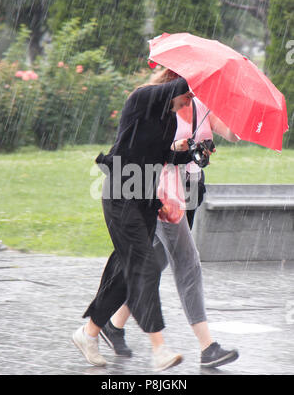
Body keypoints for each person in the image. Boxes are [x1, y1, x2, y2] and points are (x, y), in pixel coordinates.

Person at [98, 77, 240, 369]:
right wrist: (181, 146)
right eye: (188, 92)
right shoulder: (160, 107)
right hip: (164, 189)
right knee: (186, 261)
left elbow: (233, 135)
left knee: (153, 261)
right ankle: (207, 346)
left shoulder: (201, 106)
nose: (191, 98)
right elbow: (157, 149)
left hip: (190, 190)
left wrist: (230, 108)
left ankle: (110, 323)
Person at [72, 69, 196, 372]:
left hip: (143, 201)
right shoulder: (141, 99)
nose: (189, 101)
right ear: (173, 84)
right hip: (120, 196)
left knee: (125, 273)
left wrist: (190, 152)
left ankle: (88, 334)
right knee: (146, 265)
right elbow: (179, 86)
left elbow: (159, 157)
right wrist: (198, 77)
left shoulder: (168, 117)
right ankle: (159, 348)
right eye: (187, 95)